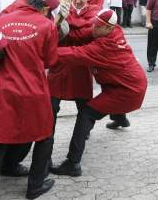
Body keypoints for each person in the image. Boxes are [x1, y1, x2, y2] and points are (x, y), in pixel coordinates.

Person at [0, 0, 60, 200]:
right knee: (44, 136)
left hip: (3, 89)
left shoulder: (2, 19)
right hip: (33, 90)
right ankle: (35, 186)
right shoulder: (47, 25)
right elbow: (51, 61)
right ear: (44, 9)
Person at [50, 9, 147, 176]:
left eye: (98, 26)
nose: (93, 28)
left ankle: (72, 163)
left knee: (86, 114)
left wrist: (42, 51)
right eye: (94, 23)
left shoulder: (105, 47)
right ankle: (120, 118)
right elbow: (83, 34)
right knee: (106, 95)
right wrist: (60, 32)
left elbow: (74, 54)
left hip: (127, 91)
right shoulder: (112, 30)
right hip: (123, 82)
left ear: (109, 29)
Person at [47, 0, 99, 167]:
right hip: (59, 67)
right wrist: (56, 15)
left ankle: (75, 156)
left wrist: (65, 19)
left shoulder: (93, 12)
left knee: (85, 110)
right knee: (49, 110)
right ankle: (45, 157)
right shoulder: (61, 9)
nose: (78, 0)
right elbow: (50, 30)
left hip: (80, 69)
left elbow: (87, 31)